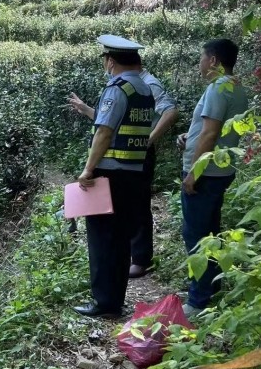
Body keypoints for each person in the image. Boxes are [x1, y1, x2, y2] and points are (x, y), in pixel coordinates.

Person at [68, 35, 178, 278]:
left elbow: (170, 111)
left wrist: (148, 140)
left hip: (130, 158)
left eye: (105, 59)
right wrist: (86, 109)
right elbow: (113, 124)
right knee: (123, 211)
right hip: (127, 155)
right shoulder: (130, 84)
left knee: (134, 208)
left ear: (111, 61)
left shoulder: (145, 84)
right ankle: (126, 258)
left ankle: (138, 258)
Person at [73, 35, 155, 319]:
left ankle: (105, 303)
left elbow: (105, 132)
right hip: (133, 173)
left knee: (102, 239)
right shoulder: (143, 88)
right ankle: (114, 299)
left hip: (110, 175)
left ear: (110, 61)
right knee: (120, 239)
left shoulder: (117, 89)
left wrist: (88, 169)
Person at [178, 39, 248, 318]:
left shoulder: (218, 87)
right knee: (210, 232)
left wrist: (193, 173)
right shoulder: (235, 86)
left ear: (214, 60)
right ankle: (211, 287)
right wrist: (189, 137)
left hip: (206, 173)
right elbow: (210, 131)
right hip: (220, 170)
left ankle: (198, 300)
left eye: (202, 58)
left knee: (196, 236)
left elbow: (209, 133)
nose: (200, 64)